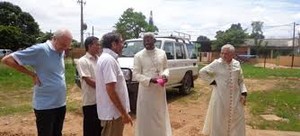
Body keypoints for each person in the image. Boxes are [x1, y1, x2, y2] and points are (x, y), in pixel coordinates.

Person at [1, 28, 73, 136]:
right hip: (45, 106)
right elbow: (7, 60)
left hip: (60, 103)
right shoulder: (40, 50)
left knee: (57, 133)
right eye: (63, 45)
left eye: (67, 46)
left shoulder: (60, 51)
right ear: (54, 39)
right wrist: (32, 74)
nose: (65, 48)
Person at [199, 44, 247, 136]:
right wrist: (213, 82)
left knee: (237, 118)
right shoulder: (217, 63)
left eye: (227, 53)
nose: (223, 55)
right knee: (219, 120)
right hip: (220, 97)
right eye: (222, 53)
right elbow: (202, 72)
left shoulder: (237, 64)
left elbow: (240, 80)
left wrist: (243, 93)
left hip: (235, 98)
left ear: (233, 54)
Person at [133, 32, 172, 136]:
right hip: (146, 91)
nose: (147, 42)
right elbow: (136, 74)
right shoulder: (138, 56)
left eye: (149, 39)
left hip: (159, 90)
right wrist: (150, 80)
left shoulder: (162, 53)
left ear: (155, 41)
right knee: (147, 115)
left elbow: (166, 68)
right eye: (145, 40)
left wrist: (165, 75)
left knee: (159, 113)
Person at [95, 32, 133, 136]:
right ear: (114, 44)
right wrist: (124, 113)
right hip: (113, 114)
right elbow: (111, 90)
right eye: (121, 42)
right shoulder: (108, 60)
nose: (123, 46)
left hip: (113, 113)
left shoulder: (108, 59)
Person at [76, 36, 102, 136]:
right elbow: (88, 81)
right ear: (89, 46)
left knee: (100, 129)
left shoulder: (99, 60)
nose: (99, 47)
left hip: (101, 101)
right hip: (90, 101)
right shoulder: (83, 61)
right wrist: (106, 88)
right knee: (90, 130)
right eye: (97, 44)